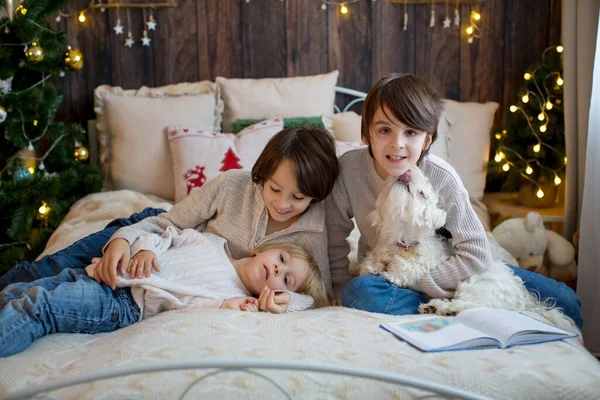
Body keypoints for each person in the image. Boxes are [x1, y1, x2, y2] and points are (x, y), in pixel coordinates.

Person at [325, 73, 583, 329]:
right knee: (359, 293)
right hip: (389, 271)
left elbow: (476, 256)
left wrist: (426, 283)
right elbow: (334, 235)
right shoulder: (350, 168)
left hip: (456, 266)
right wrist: (337, 285)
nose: (397, 144)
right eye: (384, 130)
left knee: (567, 302)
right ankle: (449, 306)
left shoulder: (442, 176)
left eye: (411, 132)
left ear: (428, 138)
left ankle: (450, 302)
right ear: (366, 134)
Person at [0, 126, 340, 311]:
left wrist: (286, 301)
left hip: (176, 266)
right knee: (51, 268)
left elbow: (318, 296)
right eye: (275, 189)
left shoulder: (313, 229)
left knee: (63, 284)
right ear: (261, 175)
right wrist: (122, 238)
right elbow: (168, 224)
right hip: (161, 232)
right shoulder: (233, 184)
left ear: (317, 194)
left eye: (298, 198)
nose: (282, 204)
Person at [0, 231, 328, 357]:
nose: (277, 272)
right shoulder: (209, 241)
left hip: (121, 303)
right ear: (262, 248)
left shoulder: (233, 296)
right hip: (101, 271)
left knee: (39, 308)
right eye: (281, 260)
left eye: (287, 280)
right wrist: (143, 249)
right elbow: (160, 235)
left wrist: (226, 305)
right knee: (17, 291)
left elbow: (190, 307)